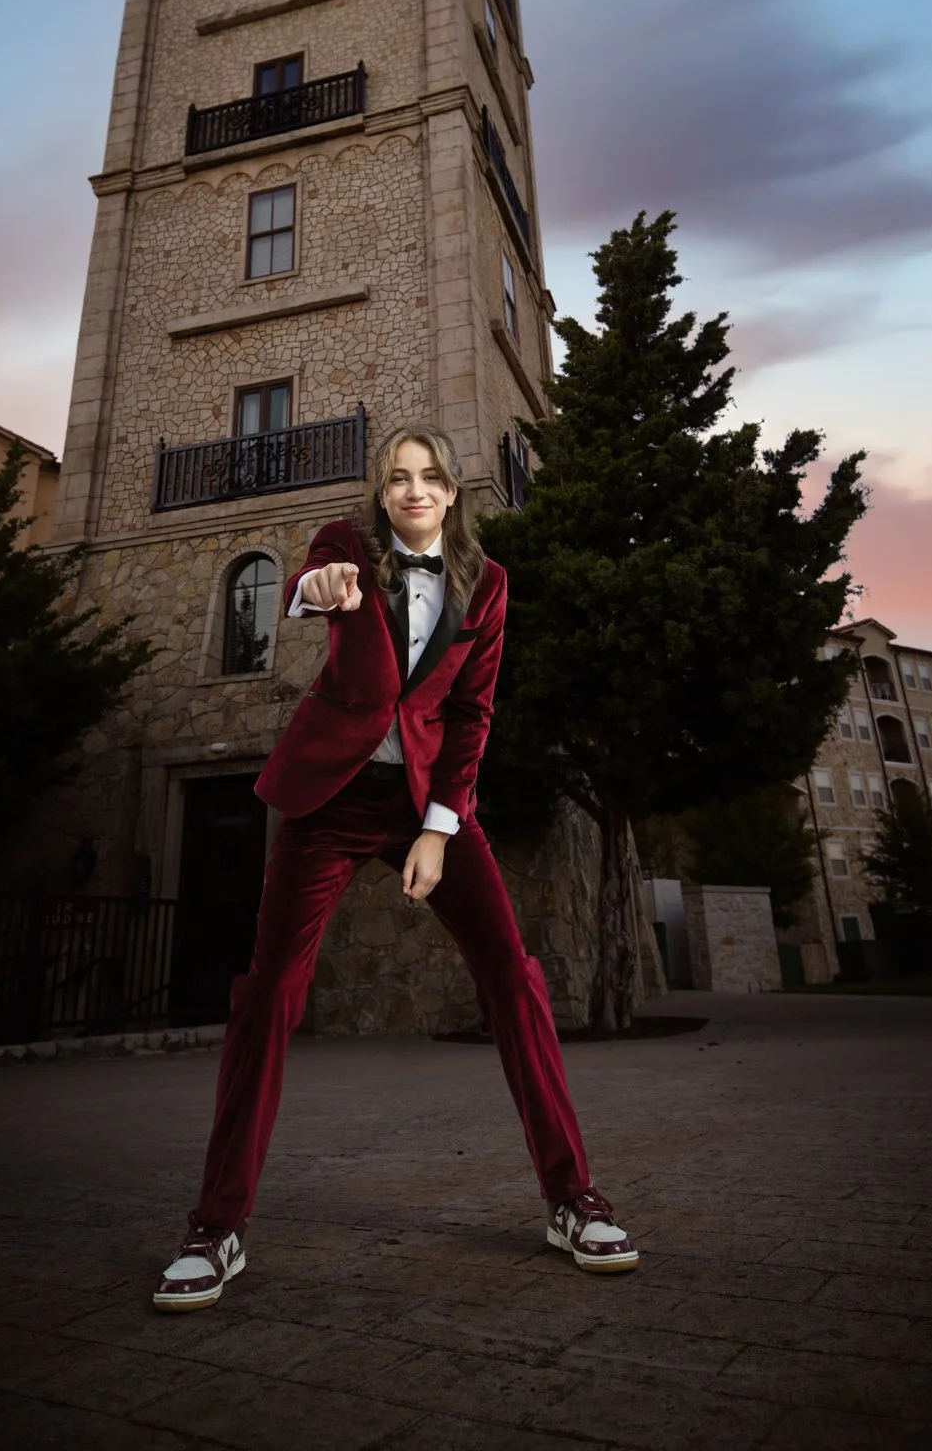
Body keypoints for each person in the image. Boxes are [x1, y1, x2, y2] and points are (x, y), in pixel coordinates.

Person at [153, 421, 637, 1309]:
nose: (413, 491)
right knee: (271, 993)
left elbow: (471, 715)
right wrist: (319, 587)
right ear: (382, 494)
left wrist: (438, 830)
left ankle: (572, 1199)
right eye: (397, 479)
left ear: (451, 493)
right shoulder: (348, 550)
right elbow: (309, 580)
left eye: (429, 478)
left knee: (514, 977)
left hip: (427, 806)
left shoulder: (486, 586)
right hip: (329, 800)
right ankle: (216, 1227)